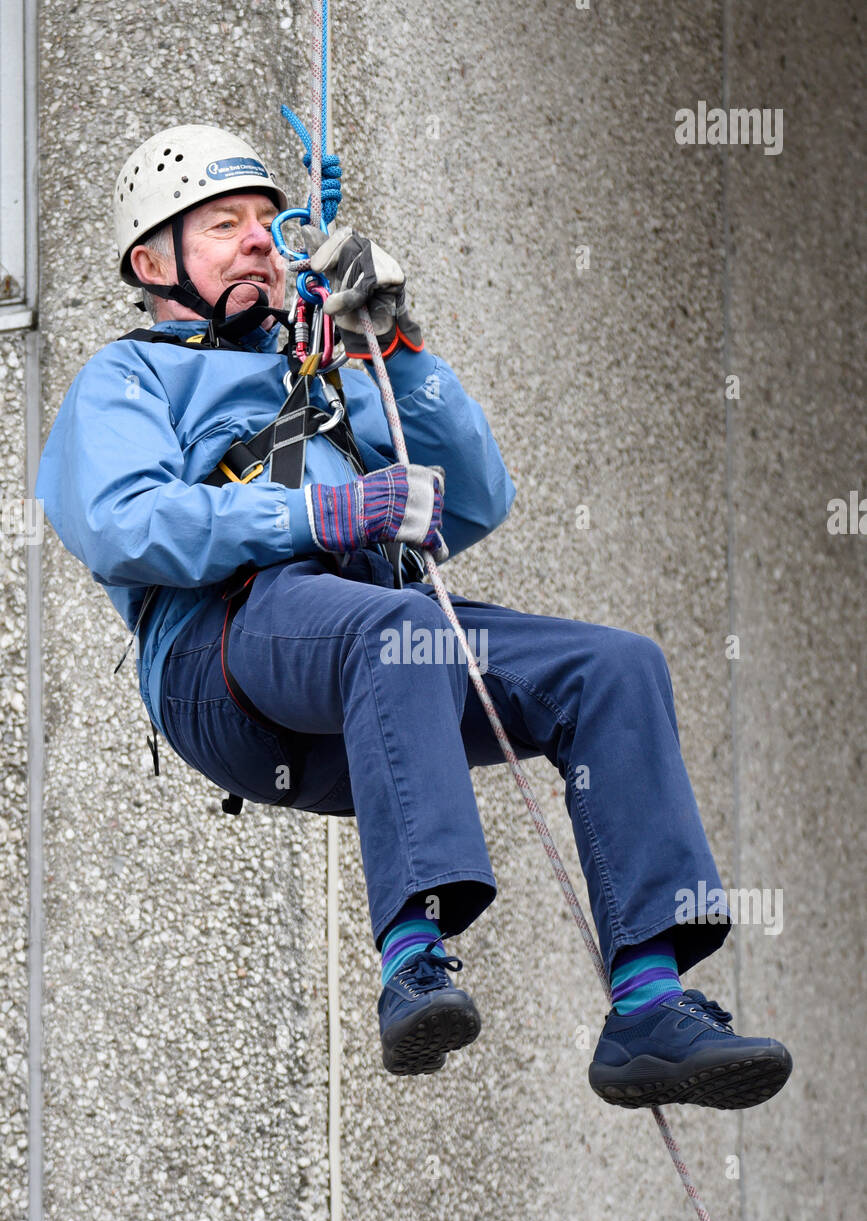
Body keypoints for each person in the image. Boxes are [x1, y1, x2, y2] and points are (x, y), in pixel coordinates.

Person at [37, 124, 793, 1106]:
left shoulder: (332, 372)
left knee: (613, 667)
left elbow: (472, 496)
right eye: (225, 225)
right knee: (397, 633)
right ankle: (413, 964)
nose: (262, 241)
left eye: (269, 222)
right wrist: (315, 510)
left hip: (377, 654)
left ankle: (648, 1003)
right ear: (153, 261)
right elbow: (120, 524)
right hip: (225, 651)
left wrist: (396, 340)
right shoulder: (127, 378)